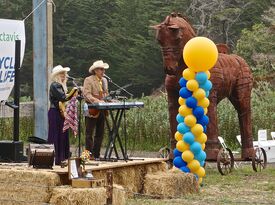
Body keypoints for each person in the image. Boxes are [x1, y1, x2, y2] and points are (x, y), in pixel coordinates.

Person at [48, 65, 77, 165]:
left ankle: (62, 158)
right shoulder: (55, 85)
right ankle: (56, 158)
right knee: (56, 135)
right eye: (61, 74)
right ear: (56, 75)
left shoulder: (60, 86)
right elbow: (63, 97)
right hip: (55, 112)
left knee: (62, 134)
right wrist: (74, 91)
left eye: (64, 74)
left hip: (60, 112)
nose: (64, 76)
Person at [83, 60, 109, 159]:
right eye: (101, 69)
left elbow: (105, 93)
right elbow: (86, 94)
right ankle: (87, 156)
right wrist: (97, 101)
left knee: (100, 133)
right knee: (89, 133)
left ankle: (96, 154)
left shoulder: (105, 81)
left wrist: (108, 99)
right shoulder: (88, 80)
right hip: (92, 110)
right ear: (95, 70)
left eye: (103, 69)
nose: (103, 71)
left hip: (102, 109)